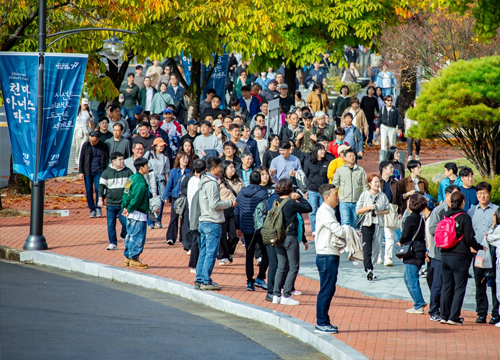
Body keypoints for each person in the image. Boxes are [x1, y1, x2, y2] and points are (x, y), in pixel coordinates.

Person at [441, 192, 485, 325]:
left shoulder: (446, 215)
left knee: (447, 286)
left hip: (444, 255)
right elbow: (469, 238)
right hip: (459, 257)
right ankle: (453, 316)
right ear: (463, 202)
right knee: (459, 287)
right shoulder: (464, 217)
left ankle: (444, 314)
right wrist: (479, 247)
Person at [195, 157, 235, 291]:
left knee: (204, 252)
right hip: (212, 222)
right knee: (211, 253)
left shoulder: (204, 181)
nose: (221, 169)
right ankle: (205, 280)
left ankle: (200, 278)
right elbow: (215, 204)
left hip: (205, 220)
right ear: (213, 168)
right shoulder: (212, 183)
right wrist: (229, 203)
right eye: (219, 167)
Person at [271, 178, 312, 306]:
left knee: (281, 266)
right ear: (290, 189)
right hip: (290, 237)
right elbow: (308, 208)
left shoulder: (276, 201)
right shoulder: (291, 203)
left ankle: (276, 295)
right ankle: (287, 295)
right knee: (293, 266)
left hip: (278, 237)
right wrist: (299, 197)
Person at [314, 183, 347, 333]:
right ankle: (321, 322)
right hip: (326, 255)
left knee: (328, 288)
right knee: (326, 289)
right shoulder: (326, 211)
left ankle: (324, 321)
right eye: (335, 194)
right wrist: (348, 231)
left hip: (329, 254)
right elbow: (338, 230)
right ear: (326, 197)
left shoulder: (328, 210)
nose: (337, 196)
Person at [468, 182, 500, 324]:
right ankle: (481, 313)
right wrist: (471, 246)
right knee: (479, 283)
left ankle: (496, 313)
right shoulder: (472, 211)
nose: (482, 196)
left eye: (485, 193)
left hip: (493, 252)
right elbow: (468, 232)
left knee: (494, 283)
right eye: (479, 193)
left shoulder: (496, 210)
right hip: (478, 253)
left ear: (489, 194)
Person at [428, 185, 460, 322]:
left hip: (453, 253)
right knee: (437, 283)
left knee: (449, 284)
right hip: (439, 253)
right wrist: (448, 231)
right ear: (446, 196)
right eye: (453, 195)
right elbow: (432, 228)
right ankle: (434, 310)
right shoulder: (439, 211)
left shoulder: (458, 210)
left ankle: (444, 310)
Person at [235, 171, 269, 291]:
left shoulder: (241, 193)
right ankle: (260, 277)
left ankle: (250, 282)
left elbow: (237, 211)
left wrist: (238, 227)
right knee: (266, 252)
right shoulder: (262, 194)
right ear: (259, 181)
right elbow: (265, 211)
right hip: (259, 228)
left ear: (249, 181)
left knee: (249, 255)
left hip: (246, 227)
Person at [97, 152, 134, 250]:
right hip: (111, 203)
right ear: (113, 161)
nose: (122, 161)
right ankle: (113, 243)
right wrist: (100, 199)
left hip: (123, 204)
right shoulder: (106, 173)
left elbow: (133, 185)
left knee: (126, 223)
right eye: (120, 159)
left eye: (123, 159)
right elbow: (101, 187)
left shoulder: (128, 171)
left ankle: (123, 235)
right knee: (111, 224)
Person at [398, 194, 427, 313]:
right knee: (407, 277)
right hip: (420, 249)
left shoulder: (410, 218)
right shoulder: (421, 217)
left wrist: (400, 242)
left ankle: (419, 304)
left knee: (411, 278)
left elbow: (405, 235)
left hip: (413, 251)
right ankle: (418, 302)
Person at [356, 174, 389, 280]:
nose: (377, 184)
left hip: (378, 224)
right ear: (369, 184)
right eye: (375, 182)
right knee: (367, 248)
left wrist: (379, 212)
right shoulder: (364, 195)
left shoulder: (382, 196)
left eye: (378, 182)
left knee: (376, 248)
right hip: (367, 223)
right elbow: (358, 210)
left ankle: (372, 268)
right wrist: (368, 208)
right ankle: (368, 269)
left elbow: (388, 210)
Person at [122, 157, 151, 269]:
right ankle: (134, 258)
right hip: (138, 213)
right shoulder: (140, 182)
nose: (148, 168)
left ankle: (128, 257)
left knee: (130, 235)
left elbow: (125, 194)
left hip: (131, 212)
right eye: (146, 166)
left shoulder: (131, 178)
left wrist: (125, 207)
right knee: (137, 236)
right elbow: (137, 198)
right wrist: (129, 208)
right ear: (141, 168)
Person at [218, 161, 245, 265]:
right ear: (225, 169)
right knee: (222, 234)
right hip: (223, 209)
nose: (233, 169)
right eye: (230, 167)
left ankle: (228, 251)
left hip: (235, 209)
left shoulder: (238, 181)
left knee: (234, 234)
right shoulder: (219, 181)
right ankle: (222, 256)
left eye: (233, 167)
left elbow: (243, 193)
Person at [332, 148, 366, 228]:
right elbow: (335, 185)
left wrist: (364, 198)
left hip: (356, 202)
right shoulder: (340, 170)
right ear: (345, 158)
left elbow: (365, 185)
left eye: (353, 155)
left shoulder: (360, 170)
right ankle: (345, 240)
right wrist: (335, 198)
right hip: (344, 201)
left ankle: (353, 240)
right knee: (345, 222)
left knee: (355, 223)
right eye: (349, 156)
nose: (352, 157)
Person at [78, 131, 109, 218]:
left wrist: (106, 172)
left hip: (99, 171)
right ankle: (92, 209)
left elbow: (106, 160)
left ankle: (98, 207)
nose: (92, 143)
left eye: (94, 141)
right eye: (91, 140)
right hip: (88, 171)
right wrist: (81, 172)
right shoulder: (86, 145)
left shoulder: (104, 146)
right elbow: (82, 159)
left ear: (98, 139)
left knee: (98, 189)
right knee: (89, 191)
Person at [379, 161, 403, 266]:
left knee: (390, 235)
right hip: (378, 211)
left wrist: (400, 211)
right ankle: (378, 255)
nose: (392, 170)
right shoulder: (377, 181)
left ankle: (388, 257)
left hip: (391, 210)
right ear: (384, 169)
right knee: (378, 236)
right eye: (390, 168)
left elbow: (399, 199)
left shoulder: (395, 183)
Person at [164, 151, 191, 244]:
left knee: (185, 218)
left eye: (187, 158)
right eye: (183, 158)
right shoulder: (173, 171)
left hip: (186, 197)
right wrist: (166, 195)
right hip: (176, 197)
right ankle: (171, 237)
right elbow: (169, 184)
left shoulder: (190, 171)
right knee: (174, 217)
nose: (185, 160)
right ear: (178, 160)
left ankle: (183, 237)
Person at [304, 144, 330, 236]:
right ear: (316, 152)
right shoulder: (308, 162)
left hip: (324, 191)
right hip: (312, 190)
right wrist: (305, 190)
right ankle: (314, 230)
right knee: (313, 211)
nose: (323, 152)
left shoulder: (327, 162)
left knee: (325, 211)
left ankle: (325, 228)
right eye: (320, 150)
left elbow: (328, 176)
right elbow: (305, 176)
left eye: (323, 150)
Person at [145, 138, 171, 229]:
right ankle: (150, 221)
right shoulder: (149, 155)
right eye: (160, 145)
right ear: (155, 146)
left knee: (160, 201)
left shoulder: (165, 157)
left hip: (160, 180)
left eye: (163, 146)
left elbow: (167, 171)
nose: (162, 147)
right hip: (150, 178)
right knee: (150, 200)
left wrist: (168, 183)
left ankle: (158, 220)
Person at [187, 159, 206, 273]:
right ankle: (194, 265)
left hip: (193, 214)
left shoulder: (191, 181)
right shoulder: (200, 182)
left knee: (197, 240)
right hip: (199, 214)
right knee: (197, 241)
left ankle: (196, 265)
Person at [73, 98, 94, 165]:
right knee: (78, 147)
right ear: (81, 104)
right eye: (84, 104)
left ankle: (81, 162)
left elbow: (91, 123)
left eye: (86, 104)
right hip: (77, 131)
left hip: (85, 132)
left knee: (83, 146)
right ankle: (77, 160)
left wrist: (93, 131)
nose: (85, 106)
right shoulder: (76, 112)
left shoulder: (89, 113)